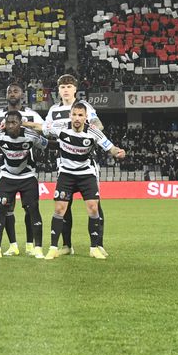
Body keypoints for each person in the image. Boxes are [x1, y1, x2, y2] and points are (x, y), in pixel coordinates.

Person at [43, 102, 125, 259]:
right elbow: (40, 127)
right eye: (74, 114)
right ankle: (54, 247)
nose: (77, 118)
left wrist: (118, 152)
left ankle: (94, 248)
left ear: (86, 117)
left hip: (86, 174)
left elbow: (110, 147)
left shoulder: (93, 132)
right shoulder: (60, 127)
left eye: (80, 115)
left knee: (93, 208)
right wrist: (23, 125)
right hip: (66, 174)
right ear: (70, 115)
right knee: (60, 209)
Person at [0, 81, 45, 253]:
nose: (13, 93)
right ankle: (13, 245)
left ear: (22, 94)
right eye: (10, 91)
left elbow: (45, 130)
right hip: (5, 167)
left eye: (16, 91)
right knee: (7, 209)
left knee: (30, 209)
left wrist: (26, 126)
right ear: (6, 95)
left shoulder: (31, 115)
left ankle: (31, 245)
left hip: (26, 166)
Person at [42, 74, 103, 253]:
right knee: (64, 205)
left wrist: (83, 133)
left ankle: (98, 244)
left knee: (95, 205)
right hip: (64, 163)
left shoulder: (85, 107)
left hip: (86, 162)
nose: (66, 90)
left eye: (69, 86)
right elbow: (46, 131)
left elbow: (98, 126)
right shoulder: (53, 110)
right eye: (62, 87)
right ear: (59, 90)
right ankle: (67, 245)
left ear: (75, 89)